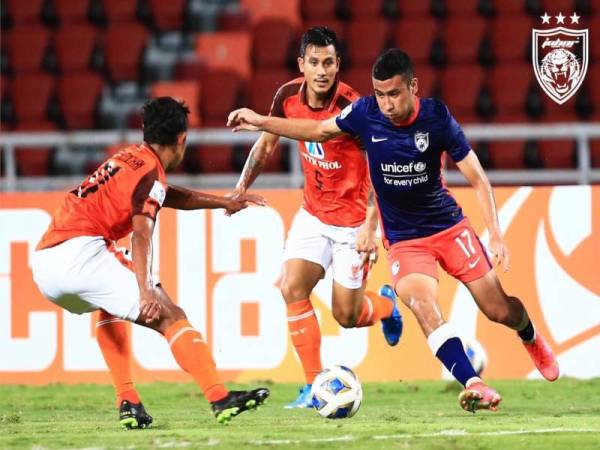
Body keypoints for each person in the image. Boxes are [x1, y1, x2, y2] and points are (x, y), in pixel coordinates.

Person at [226, 49, 560, 413]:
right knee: (422, 305)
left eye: (394, 94)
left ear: (413, 86)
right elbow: (319, 130)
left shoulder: (436, 117)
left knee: (499, 309)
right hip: (404, 240)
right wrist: (262, 121)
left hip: (448, 227)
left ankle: (528, 334)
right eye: (380, 94)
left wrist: (494, 233)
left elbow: (477, 177)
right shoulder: (365, 112)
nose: (386, 103)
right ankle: (474, 382)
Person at [31, 97, 270, 427]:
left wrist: (223, 201)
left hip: (46, 265)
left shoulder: (132, 158)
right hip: (81, 254)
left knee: (108, 304)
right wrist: (145, 292)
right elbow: (141, 235)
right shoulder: (149, 175)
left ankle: (128, 401)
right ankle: (219, 397)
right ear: (182, 139)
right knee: (170, 314)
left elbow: (164, 194)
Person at [230, 27, 403, 408]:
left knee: (347, 314)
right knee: (292, 287)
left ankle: (388, 306)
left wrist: (371, 226)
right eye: (314, 62)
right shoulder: (287, 95)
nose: (322, 70)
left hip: (352, 223)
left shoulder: (355, 107)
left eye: (329, 62)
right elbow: (267, 145)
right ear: (302, 65)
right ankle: (312, 386)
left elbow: (380, 165)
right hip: (312, 213)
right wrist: (240, 189)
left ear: (338, 64)